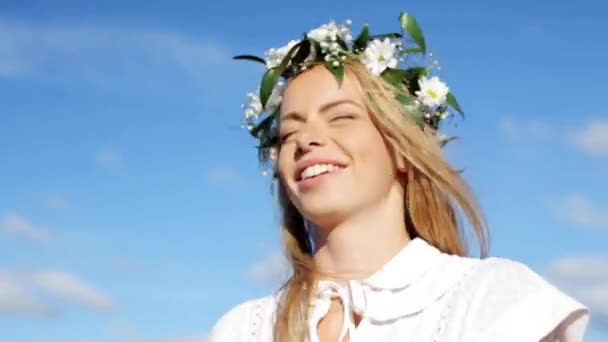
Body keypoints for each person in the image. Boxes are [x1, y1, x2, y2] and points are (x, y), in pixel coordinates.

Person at [209, 13, 590, 342]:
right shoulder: (244, 329)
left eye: (341, 116)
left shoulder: (496, 301)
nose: (306, 140)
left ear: (403, 148)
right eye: (289, 133)